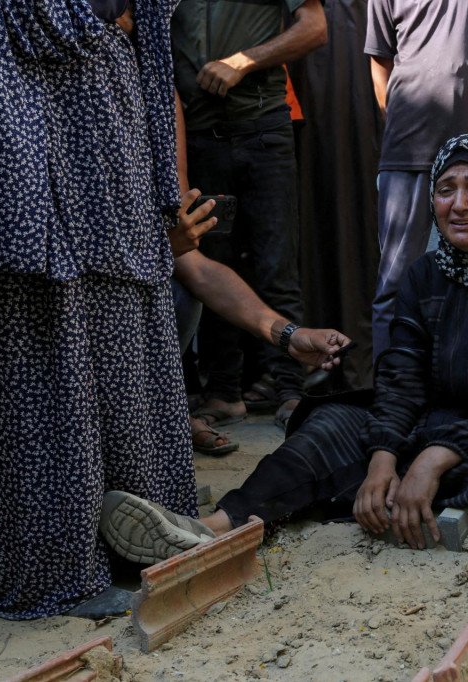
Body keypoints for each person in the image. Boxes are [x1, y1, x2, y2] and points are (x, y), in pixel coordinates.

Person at [0, 0, 345, 621]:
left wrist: (287, 334)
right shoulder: (2, 64)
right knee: (40, 364)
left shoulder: (121, 104)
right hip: (24, 234)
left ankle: (127, 522)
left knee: (126, 326)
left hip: (111, 238)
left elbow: (194, 268)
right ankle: (46, 551)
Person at [99, 135, 468, 557]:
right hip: (439, 423)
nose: (458, 204)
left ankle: (394, 488)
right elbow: (401, 382)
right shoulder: (425, 273)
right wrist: (384, 457)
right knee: (332, 422)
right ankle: (214, 528)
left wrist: (432, 457)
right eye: (445, 189)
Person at [171, 0, 327, 430]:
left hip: (263, 130)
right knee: (210, 262)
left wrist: (243, 61)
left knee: (276, 261)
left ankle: (291, 391)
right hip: (198, 139)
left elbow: (315, 27)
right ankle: (224, 392)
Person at [365, 0, 468, 358]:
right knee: (394, 281)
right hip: (407, 147)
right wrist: (407, 123)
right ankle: (391, 393)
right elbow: (379, 70)